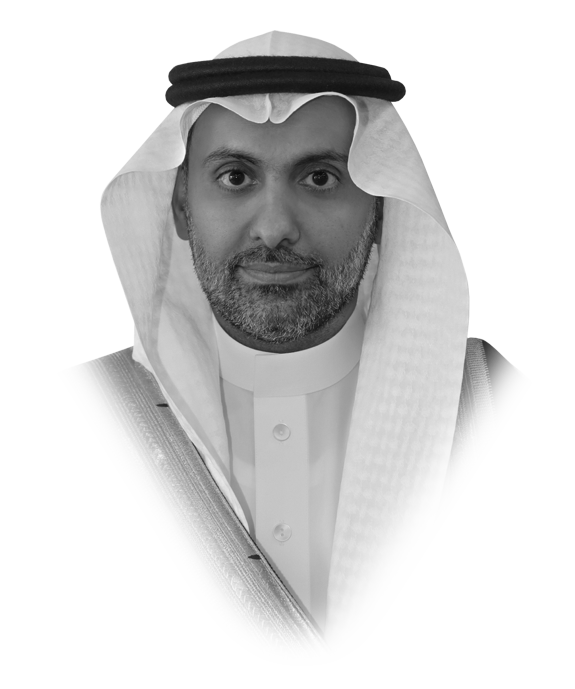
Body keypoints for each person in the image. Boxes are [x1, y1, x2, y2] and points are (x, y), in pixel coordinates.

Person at [60, 32, 529, 664]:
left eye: (319, 177)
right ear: (180, 207)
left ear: (381, 208)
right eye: (235, 177)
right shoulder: (79, 420)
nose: (275, 227)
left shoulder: (503, 413)